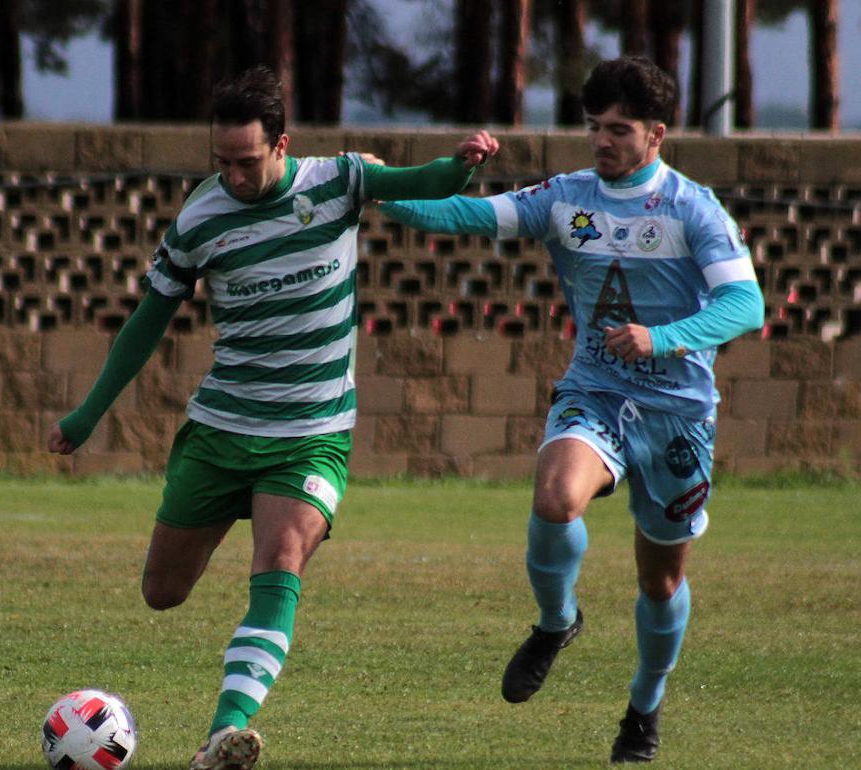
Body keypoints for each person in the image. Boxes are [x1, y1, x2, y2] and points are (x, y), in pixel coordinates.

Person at [47, 65, 499, 770]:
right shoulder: (200, 217)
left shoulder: (337, 180)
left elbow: (420, 182)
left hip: (310, 435)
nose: (232, 175)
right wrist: (85, 415)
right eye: (220, 162)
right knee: (163, 592)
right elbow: (147, 322)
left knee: (281, 557)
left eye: (246, 162)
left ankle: (223, 735)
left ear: (282, 144)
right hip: (224, 426)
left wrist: (462, 167)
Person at [378, 56, 763, 763]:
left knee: (662, 579)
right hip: (597, 392)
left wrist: (665, 338)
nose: (602, 141)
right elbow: (469, 215)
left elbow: (746, 304)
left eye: (619, 129)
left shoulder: (691, 208)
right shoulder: (567, 198)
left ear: (657, 134)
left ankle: (644, 707)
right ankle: (557, 622)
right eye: (593, 127)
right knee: (556, 499)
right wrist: (380, 188)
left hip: (678, 413)